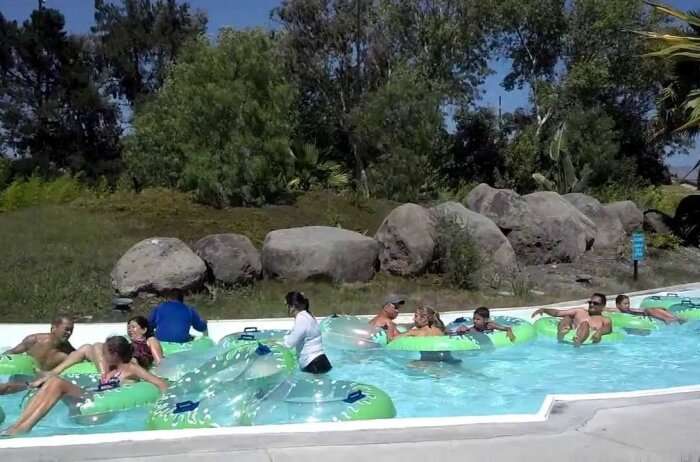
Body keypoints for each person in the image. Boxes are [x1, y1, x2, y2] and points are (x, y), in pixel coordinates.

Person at [2, 336, 168, 435]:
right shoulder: (109, 370)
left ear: (115, 354)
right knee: (52, 381)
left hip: (99, 406)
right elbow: (92, 348)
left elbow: (159, 383)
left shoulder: (131, 368)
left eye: (105, 352)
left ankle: (24, 427)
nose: (102, 355)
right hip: (90, 398)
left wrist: (164, 404)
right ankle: (17, 425)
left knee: (57, 382)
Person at [0, 316, 75, 395]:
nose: (69, 333)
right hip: (19, 382)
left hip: (41, 386)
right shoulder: (34, 340)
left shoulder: (69, 351)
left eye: (71, 330)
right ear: (54, 328)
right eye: (66, 329)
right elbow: (9, 354)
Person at [531, 293, 612, 347]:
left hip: (585, 342)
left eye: (595, 303)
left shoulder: (604, 320)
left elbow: (608, 328)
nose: (591, 304)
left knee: (584, 324)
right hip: (569, 334)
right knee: (567, 317)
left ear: (603, 306)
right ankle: (561, 333)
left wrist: (600, 332)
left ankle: (578, 341)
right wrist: (544, 310)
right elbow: (558, 313)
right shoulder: (579, 311)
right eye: (590, 302)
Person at [283, 291, 332, 374]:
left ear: (293, 306)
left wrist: (282, 340)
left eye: (286, 305)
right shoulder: (309, 316)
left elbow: (289, 343)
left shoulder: (301, 319)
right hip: (321, 361)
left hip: (313, 364)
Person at [608, 294, 684, 324]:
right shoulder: (617, 310)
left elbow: (635, 310)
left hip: (640, 313)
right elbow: (605, 309)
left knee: (654, 309)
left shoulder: (628, 309)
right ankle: (667, 319)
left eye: (628, 303)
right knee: (649, 310)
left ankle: (675, 318)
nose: (627, 305)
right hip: (641, 314)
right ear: (618, 305)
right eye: (625, 304)